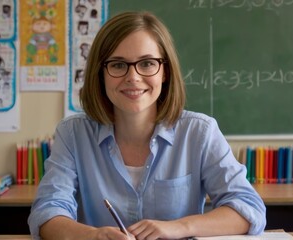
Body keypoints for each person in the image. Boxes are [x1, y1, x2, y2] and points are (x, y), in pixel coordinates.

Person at [28, 11, 266, 240]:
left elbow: (248, 208)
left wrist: (179, 227)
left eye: (147, 63)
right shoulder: (73, 133)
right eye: (118, 65)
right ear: (100, 74)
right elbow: (47, 213)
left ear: (165, 72)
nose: (133, 77)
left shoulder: (200, 132)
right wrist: (94, 235)